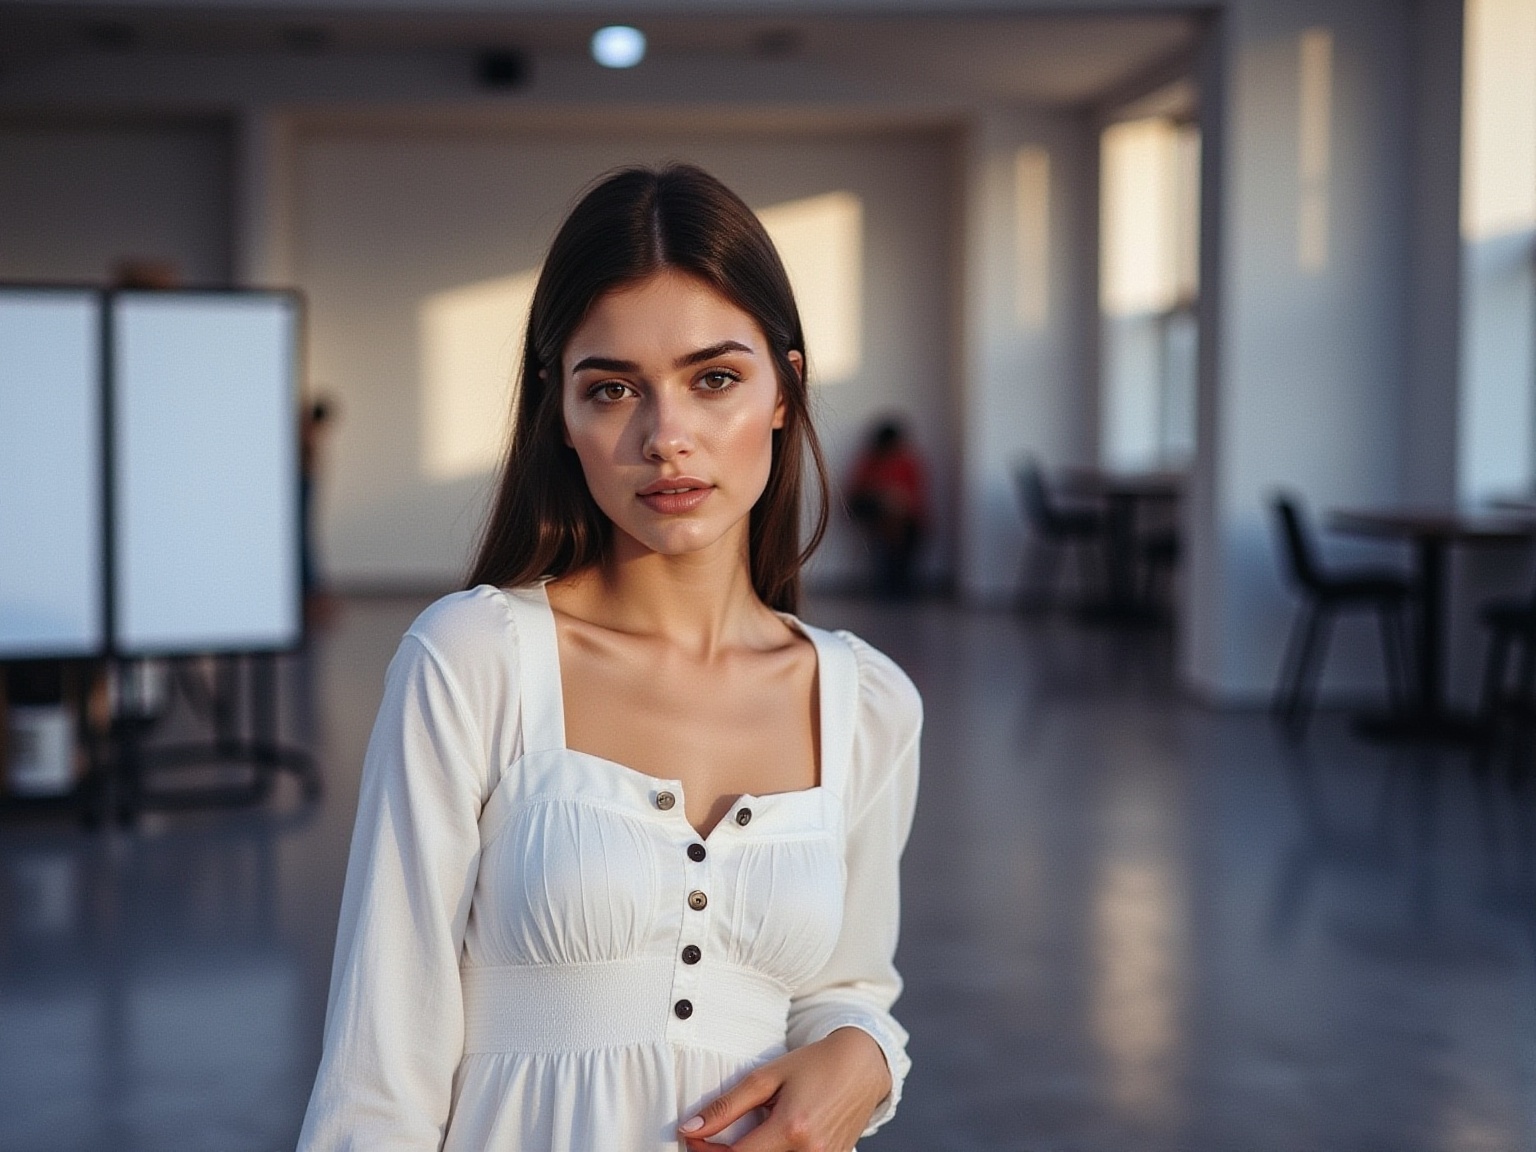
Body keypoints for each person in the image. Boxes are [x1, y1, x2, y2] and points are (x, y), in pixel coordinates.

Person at [297, 165, 922, 1152]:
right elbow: (380, 1070)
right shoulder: (473, 661)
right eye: (613, 389)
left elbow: (846, 989)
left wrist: (869, 1052)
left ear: (785, 390)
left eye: (714, 378)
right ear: (562, 412)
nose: (666, 437)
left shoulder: (866, 702)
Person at [847, 419, 928, 598]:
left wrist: (896, 501)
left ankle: (897, 583)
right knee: (891, 518)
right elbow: (855, 493)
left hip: (906, 519)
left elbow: (913, 498)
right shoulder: (871, 462)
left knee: (901, 529)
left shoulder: (906, 463)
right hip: (878, 512)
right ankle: (893, 583)